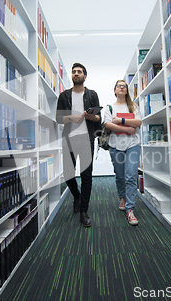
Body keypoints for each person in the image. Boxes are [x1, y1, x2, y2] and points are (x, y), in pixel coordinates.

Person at [56, 63, 101, 227]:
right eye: (74, 72)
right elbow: (58, 118)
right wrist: (71, 118)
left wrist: (90, 117)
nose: (76, 74)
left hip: (86, 139)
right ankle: (77, 195)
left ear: (84, 76)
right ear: (72, 76)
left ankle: (83, 211)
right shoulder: (64, 96)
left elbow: (98, 118)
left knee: (86, 176)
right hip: (69, 139)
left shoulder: (92, 94)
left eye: (79, 72)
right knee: (68, 174)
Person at [103, 80, 142, 225]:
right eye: (119, 85)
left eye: (124, 86)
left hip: (133, 144)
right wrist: (127, 128)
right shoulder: (109, 107)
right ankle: (122, 197)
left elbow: (138, 123)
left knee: (131, 176)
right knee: (120, 176)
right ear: (115, 90)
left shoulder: (133, 106)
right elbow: (107, 124)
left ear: (126, 90)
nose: (121, 87)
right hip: (115, 145)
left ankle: (130, 210)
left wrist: (120, 120)